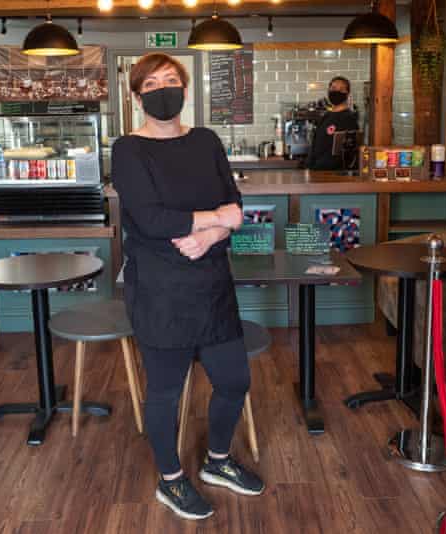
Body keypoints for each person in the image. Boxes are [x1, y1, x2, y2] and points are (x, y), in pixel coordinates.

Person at [111, 53, 265, 521]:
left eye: (171, 80)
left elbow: (233, 204)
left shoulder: (206, 140)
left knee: (234, 379)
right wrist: (217, 219)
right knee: (164, 391)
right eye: (152, 83)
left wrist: (212, 234)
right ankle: (170, 480)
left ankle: (218, 462)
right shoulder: (128, 149)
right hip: (160, 289)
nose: (164, 89)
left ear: (185, 88)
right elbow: (151, 219)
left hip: (212, 280)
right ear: (137, 97)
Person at [306, 76, 360, 170]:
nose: (336, 91)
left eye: (341, 89)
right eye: (333, 88)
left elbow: (348, 152)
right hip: (317, 171)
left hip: (333, 174)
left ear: (347, 93)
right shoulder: (326, 116)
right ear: (328, 90)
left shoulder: (348, 119)